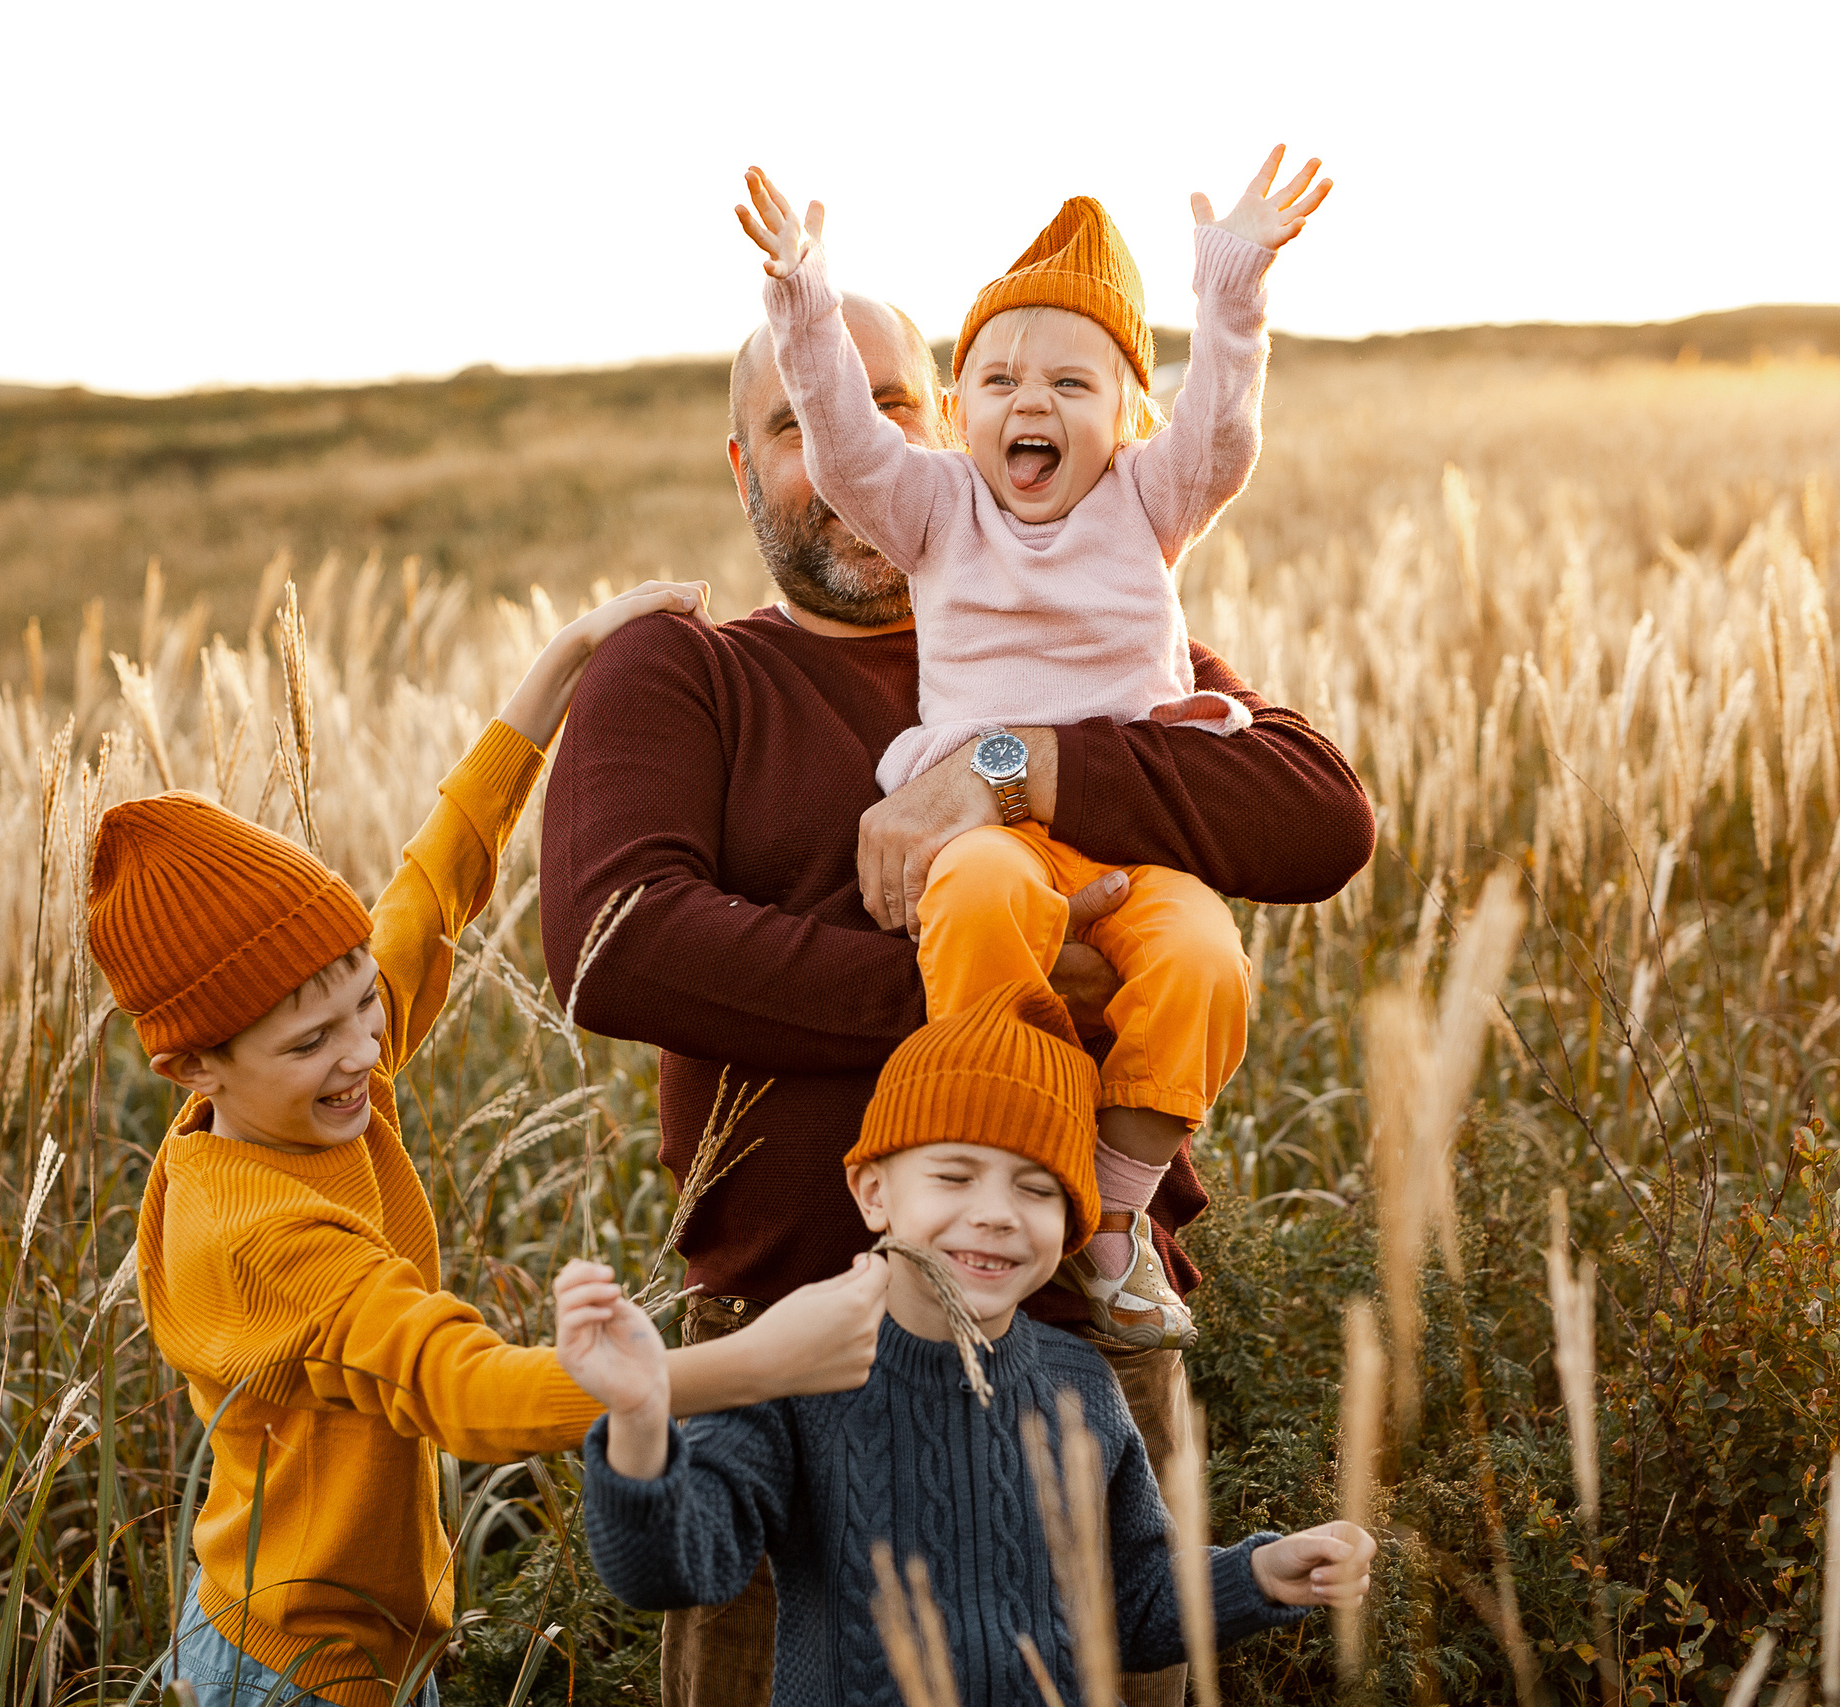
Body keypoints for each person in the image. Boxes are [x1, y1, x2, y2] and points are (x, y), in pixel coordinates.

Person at [537, 181, 1374, 1707]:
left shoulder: (1085, 617)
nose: (842, 453)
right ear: (747, 463)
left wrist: (1017, 763)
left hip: (1078, 1337)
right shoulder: (693, 672)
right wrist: (1002, 1001)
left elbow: (1319, 814)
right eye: (798, 421)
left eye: (886, 406)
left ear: (940, 432)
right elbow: (613, 945)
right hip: (802, 1347)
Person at [88, 579, 892, 1707]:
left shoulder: (304, 1085)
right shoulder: (258, 1231)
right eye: (315, 1038)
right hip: (300, 1672)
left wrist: (560, 667)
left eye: (366, 1002)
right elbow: (461, 1392)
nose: (367, 1050)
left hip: (354, 1641)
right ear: (190, 1069)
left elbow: (428, 890)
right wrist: (759, 1365)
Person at [733, 151, 1329, 1352]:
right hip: (990, 829)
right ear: (958, 417)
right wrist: (802, 305)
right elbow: (848, 449)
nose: (1032, 404)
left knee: (1205, 959)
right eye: (998, 378)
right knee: (986, 899)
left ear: (1129, 420)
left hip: (1126, 847)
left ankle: (1110, 1213)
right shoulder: (939, 511)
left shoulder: (1146, 504)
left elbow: (1222, 433)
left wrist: (1229, 298)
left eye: (1073, 381)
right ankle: (1009, 1148)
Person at [555, 982, 1376, 1705]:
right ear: (873, 1190)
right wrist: (639, 1411)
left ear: (1073, 1223)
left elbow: (1128, 1602)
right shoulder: (799, 1366)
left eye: (1036, 1187)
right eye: (953, 1175)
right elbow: (672, 1567)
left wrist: (1258, 1573)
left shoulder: (1080, 1383)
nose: (995, 1212)